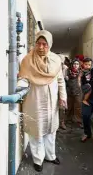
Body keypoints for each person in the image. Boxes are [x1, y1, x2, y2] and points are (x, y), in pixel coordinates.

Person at [18, 30, 67, 172]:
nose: (40, 47)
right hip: (35, 101)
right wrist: (19, 85)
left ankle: (50, 156)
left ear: (49, 45)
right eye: (38, 43)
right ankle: (38, 159)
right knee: (36, 132)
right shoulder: (27, 60)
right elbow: (23, 79)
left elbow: (60, 80)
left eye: (44, 44)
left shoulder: (55, 60)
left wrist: (63, 97)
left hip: (52, 102)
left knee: (51, 131)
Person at [66, 59, 83, 127]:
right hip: (69, 91)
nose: (75, 65)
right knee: (69, 106)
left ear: (79, 65)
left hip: (78, 92)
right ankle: (68, 119)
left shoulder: (81, 72)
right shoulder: (68, 71)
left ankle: (79, 121)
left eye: (77, 64)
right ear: (72, 65)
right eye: (74, 64)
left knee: (78, 107)